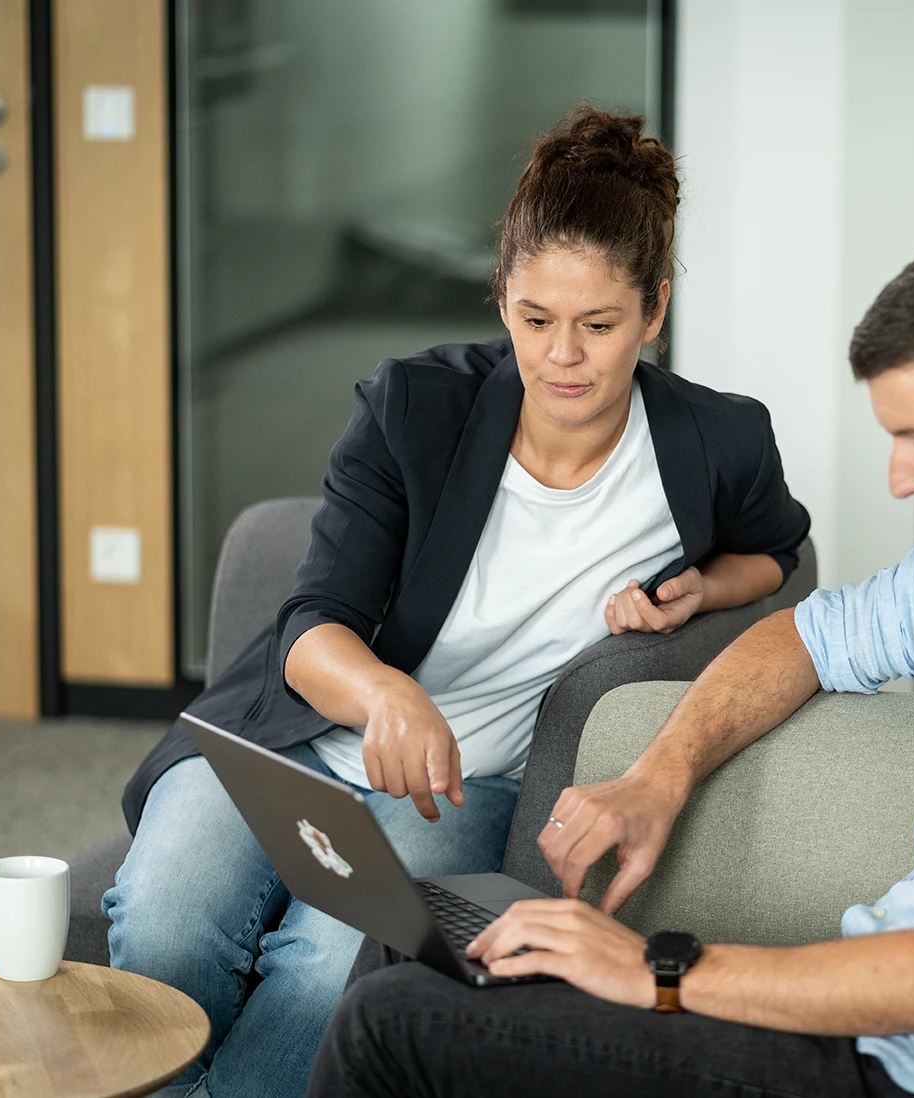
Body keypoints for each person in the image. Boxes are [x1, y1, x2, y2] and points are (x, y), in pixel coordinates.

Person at [306, 227, 914, 1098]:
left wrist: (655, 970)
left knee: (393, 1023)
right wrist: (658, 776)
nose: (901, 477)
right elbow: (808, 635)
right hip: (881, 1020)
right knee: (420, 932)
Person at [104, 105, 811, 1098]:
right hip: (289, 738)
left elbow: (781, 551)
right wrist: (386, 694)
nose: (562, 357)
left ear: (653, 311)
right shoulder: (413, 407)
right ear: (501, 299)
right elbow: (312, 628)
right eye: (534, 320)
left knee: (326, 981)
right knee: (162, 924)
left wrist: (710, 584)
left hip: (462, 783)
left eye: (599, 325)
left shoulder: (715, 444)